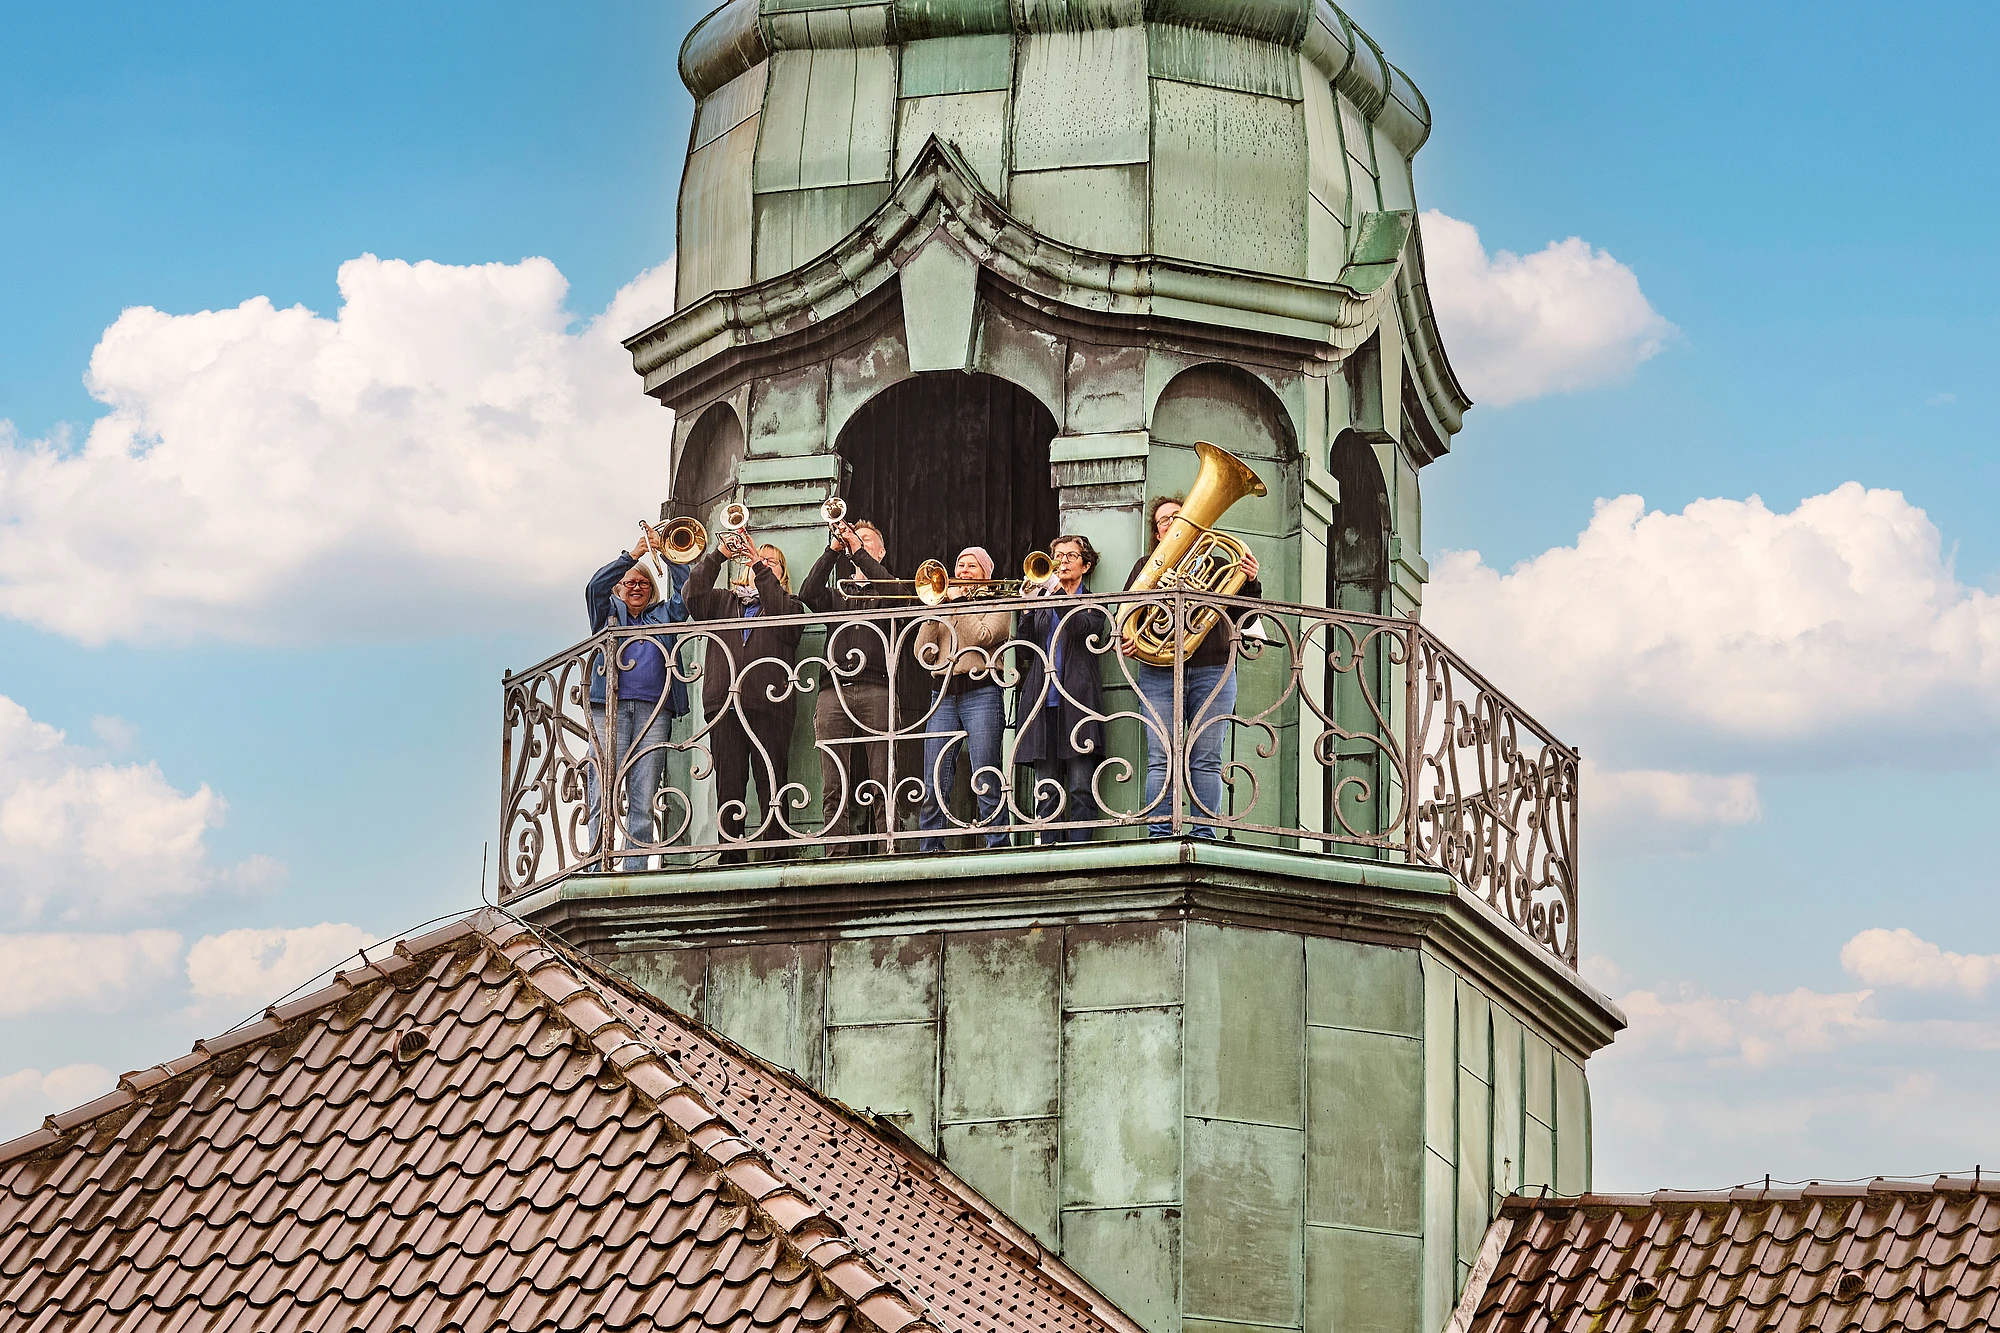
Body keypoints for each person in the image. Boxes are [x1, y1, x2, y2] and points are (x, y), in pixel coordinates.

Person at [1122, 493, 1262, 838]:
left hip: (1212, 667)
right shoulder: (1145, 566)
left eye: (1179, 516)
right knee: (1161, 756)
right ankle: (1158, 833)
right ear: (1158, 534)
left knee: (1207, 758)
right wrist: (1128, 640)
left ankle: (1204, 834)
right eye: (1164, 520)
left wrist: (1251, 581)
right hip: (1158, 669)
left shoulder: (1217, 563)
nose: (1173, 523)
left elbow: (1245, 618)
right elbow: (1126, 618)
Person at [684, 536, 805, 864]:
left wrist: (759, 568)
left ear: (779, 574)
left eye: (770, 562)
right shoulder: (721, 600)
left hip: (770, 706)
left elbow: (787, 626)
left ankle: (777, 856)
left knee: (772, 783)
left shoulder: (789, 604)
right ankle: (731, 858)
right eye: (754, 559)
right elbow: (691, 595)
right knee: (730, 783)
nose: (760, 563)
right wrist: (719, 555)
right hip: (724, 704)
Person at [582, 536, 689, 870]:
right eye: (630, 582)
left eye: (644, 583)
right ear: (620, 587)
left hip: (654, 713)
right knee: (603, 789)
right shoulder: (607, 614)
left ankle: (634, 868)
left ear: (652, 589)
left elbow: (688, 589)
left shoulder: (664, 615)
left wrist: (665, 553)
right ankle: (599, 866)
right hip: (609, 710)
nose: (637, 587)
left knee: (643, 796)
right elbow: (594, 587)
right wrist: (633, 555)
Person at [799, 519, 901, 855]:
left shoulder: (889, 588)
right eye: (855, 539)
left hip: (876, 689)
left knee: (883, 774)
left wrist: (858, 552)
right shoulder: (837, 594)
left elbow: (897, 596)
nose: (858, 542)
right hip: (834, 691)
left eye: (867, 540)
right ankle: (835, 853)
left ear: (881, 552)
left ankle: (888, 847)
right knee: (833, 780)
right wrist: (834, 550)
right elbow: (807, 593)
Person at [914, 547, 1014, 852]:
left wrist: (960, 605)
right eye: (960, 565)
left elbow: (984, 636)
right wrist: (934, 612)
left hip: (981, 691)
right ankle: (930, 845)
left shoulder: (999, 603)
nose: (964, 571)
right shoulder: (945, 604)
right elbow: (922, 651)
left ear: (985, 573)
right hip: (943, 693)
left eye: (972, 566)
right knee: (935, 775)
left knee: (985, 771)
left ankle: (997, 844)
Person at [1013, 535, 1108, 842]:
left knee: (1081, 785)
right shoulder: (1042, 604)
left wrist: (1055, 594)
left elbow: (1082, 628)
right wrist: (1026, 610)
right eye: (1058, 555)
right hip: (1042, 705)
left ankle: (1080, 849)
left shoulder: (1095, 603)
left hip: (1078, 704)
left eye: (1070, 556)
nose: (1062, 561)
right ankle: (1047, 848)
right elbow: (1025, 651)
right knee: (1046, 788)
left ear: (1086, 564)